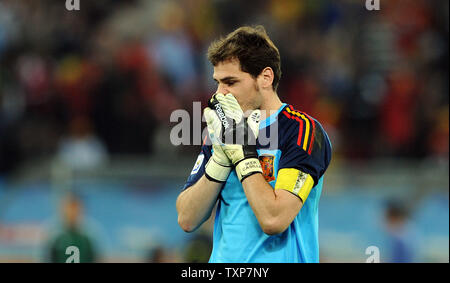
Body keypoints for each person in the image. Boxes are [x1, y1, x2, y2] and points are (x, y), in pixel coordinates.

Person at [176, 26, 332, 263]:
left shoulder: (301, 131)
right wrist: (218, 162)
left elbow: (274, 220)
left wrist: (244, 155)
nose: (220, 93)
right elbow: (187, 218)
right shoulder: (221, 131)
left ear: (265, 78)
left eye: (231, 82)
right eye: (217, 82)